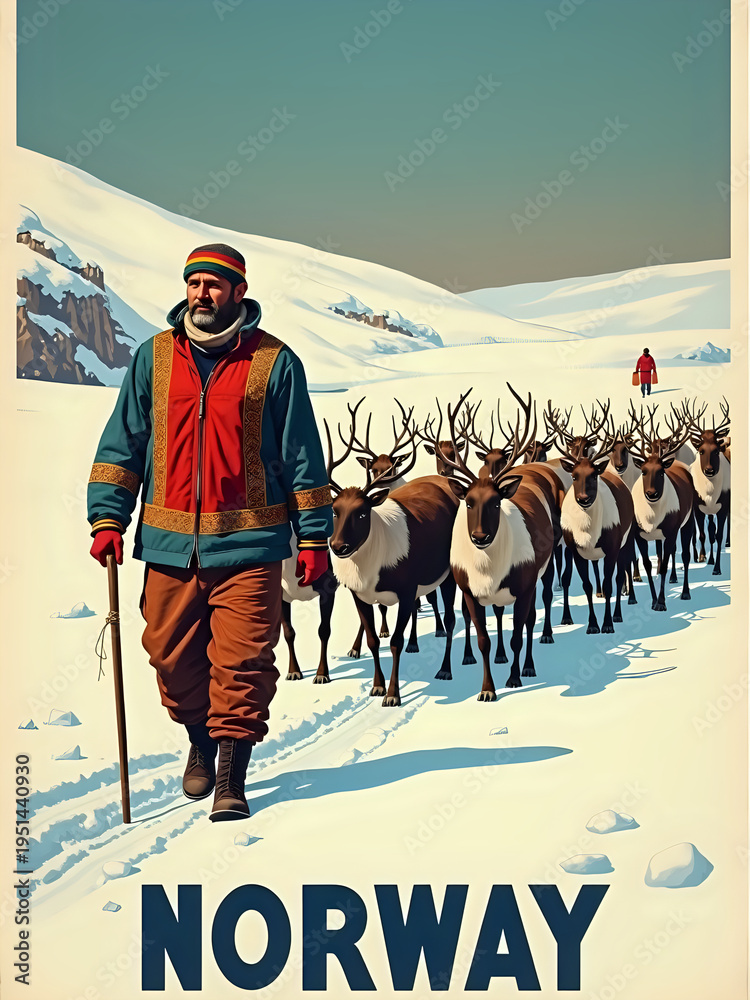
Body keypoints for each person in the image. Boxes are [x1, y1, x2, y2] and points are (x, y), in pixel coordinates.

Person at [87, 243, 333, 822]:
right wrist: (108, 518)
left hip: (251, 546)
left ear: (238, 292)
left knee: (243, 662)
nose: (201, 293)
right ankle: (199, 735)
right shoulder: (154, 358)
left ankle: (230, 772)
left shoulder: (275, 363)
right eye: (193, 282)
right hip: (169, 546)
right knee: (170, 659)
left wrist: (315, 537)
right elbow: (124, 443)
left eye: (213, 285)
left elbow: (302, 455)